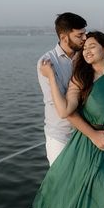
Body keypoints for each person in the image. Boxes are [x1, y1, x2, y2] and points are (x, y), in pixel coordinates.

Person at [34, 32, 104, 208]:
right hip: (92, 145)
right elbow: (65, 111)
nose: (86, 50)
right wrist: (51, 78)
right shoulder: (80, 80)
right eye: (84, 47)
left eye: (92, 46)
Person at [37, 13, 90, 164]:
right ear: (64, 37)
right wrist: (93, 134)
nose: (84, 38)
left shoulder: (84, 58)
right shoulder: (47, 62)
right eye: (79, 35)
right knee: (62, 185)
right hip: (61, 137)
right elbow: (61, 107)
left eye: (85, 34)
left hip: (83, 135)